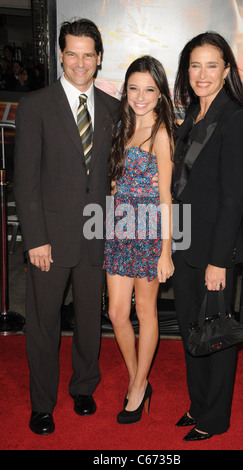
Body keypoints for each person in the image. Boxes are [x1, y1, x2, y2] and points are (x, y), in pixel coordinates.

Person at [14, 19, 120, 435]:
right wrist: (35, 238)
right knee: (43, 323)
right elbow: (26, 180)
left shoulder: (113, 108)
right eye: (71, 53)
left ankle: (83, 387)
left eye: (88, 54)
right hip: (50, 239)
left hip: (97, 234)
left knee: (90, 320)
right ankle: (42, 403)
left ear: (98, 58)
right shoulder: (36, 105)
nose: (80, 62)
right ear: (60, 55)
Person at [172, 32, 243, 441]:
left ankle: (215, 418)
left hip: (214, 251)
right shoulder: (192, 115)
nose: (201, 74)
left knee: (216, 334)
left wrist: (219, 261)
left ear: (226, 71)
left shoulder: (236, 118)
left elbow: (231, 198)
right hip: (185, 244)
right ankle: (198, 402)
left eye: (211, 65)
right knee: (191, 328)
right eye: (194, 65)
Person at [103, 55, 175, 424]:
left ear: (161, 93)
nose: (141, 96)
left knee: (145, 311)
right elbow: (115, 184)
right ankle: (138, 378)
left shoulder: (162, 132)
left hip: (148, 229)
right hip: (117, 227)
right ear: (126, 90)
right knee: (116, 312)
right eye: (134, 88)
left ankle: (137, 386)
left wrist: (166, 250)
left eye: (149, 89)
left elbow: (166, 197)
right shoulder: (122, 124)